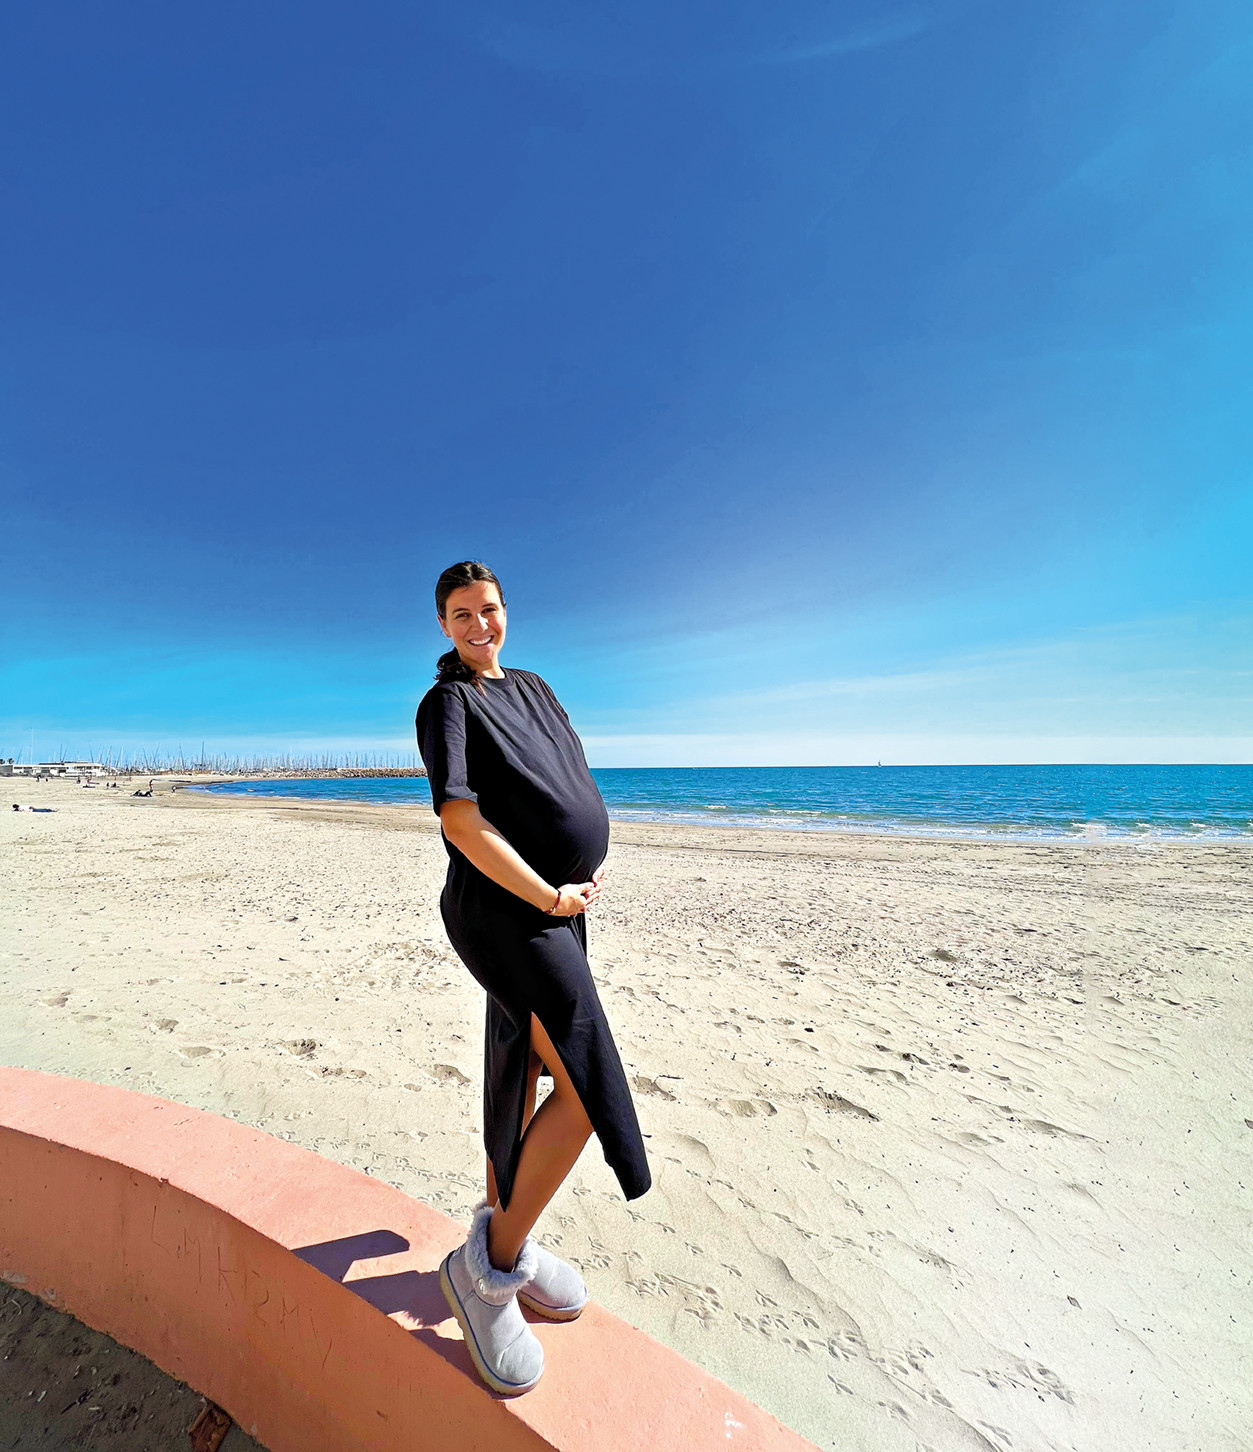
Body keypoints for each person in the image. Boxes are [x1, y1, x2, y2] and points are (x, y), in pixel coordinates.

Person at [416, 561, 650, 1396]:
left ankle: (500, 1227)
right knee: (586, 1087)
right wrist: (548, 892)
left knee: (521, 1069)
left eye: (488, 609)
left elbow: (560, 781)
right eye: (461, 614)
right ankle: (487, 1273)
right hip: (507, 913)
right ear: (443, 626)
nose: (478, 625)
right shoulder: (447, 703)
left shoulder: (535, 687)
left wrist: (578, 865)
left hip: (558, 908)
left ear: (505, 611)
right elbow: (461, 819)